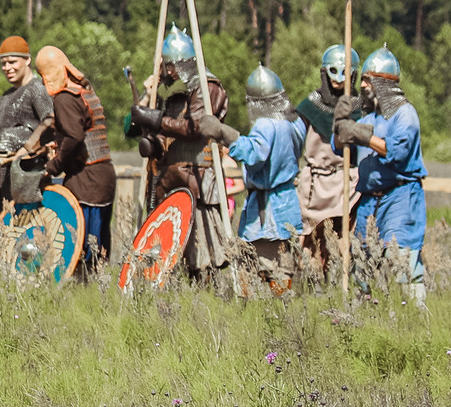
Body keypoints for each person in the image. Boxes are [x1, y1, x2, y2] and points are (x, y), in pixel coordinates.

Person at [129, 28, 236, 279]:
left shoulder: (209, 88)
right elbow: (169, 135)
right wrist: (155, 141)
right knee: (173, 253)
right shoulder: (179, 96)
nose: (166, 72)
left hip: (199, 179)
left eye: (169, 66)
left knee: (203, 254)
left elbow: (196, 127)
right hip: (173, 181)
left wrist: (157, 120)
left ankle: (208, 300)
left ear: (181, 63)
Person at [338, 47, 428, 305]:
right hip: (369, 200)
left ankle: (415, 318)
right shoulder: (369, 116)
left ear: (383, 84)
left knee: (402, 262)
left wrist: (362, 134)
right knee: (363, 262)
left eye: (368, 80)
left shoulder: (404, 113)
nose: (363, 85)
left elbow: (397, 152)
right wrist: (341, 121)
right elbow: (344, 149)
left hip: (399, 196)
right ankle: (364, 317)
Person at [33, 46, 117, 275]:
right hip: (102, 175)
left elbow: (75, 136)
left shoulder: (65, 99)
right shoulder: (85, 91)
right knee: (96, 247)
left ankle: (85, 289)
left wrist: (54, 166)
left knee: (81, 245)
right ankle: (93, 291)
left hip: (87, 180)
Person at [225, 65, 306, 294]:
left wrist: (228, 136)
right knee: (283, 273)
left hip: (267, 213)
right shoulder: (295, 122)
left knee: (251, 275)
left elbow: (254, 155)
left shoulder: (264, 124)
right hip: (287, 204)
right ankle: (281, 319)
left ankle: (259, 318)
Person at [293, 44, 357, 278]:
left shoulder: (358, 107)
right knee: (308, 241)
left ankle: (341, 285)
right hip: (315, 182)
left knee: (342, 239)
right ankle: (310, 288)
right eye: (333, 71)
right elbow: (295, 140)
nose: (339, 79)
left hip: (346, 182)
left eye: (344, 72)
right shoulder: (310, 106)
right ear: (324, 71)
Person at [0, 36, 52, 218]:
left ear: (27, 60)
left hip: (27, 176)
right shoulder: (6, 96)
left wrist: (26, 147)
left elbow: (50, 121)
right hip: (2, 180)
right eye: (4, 63)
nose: (7, 68)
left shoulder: (37, 89)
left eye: (12, 62)